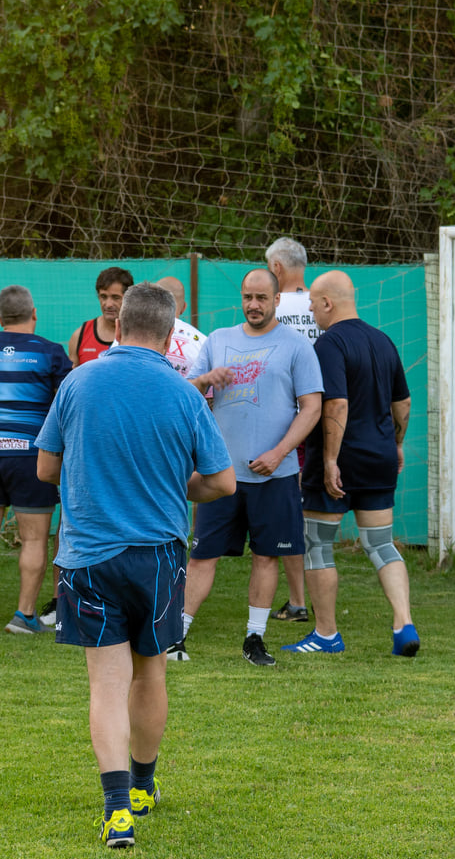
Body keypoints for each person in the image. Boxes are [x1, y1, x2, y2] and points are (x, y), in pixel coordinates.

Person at [36, 282, 234, 848]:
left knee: (106, 682)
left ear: (118, 326)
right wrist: (176, 484)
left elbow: (46, 470)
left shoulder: (78, 381)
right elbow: (222, 482)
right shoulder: (182, 393)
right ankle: (143, 788)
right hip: (159, 556)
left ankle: (116, 809)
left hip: (89, 555)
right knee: (151, 672)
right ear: (172, 335)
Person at [179, 269, 322, 666]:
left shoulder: (296, 347)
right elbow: (184, 396)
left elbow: (312, 407)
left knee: (266, 556)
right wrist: (205, 379)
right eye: (247, 297)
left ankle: (254, 640)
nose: (253, 305)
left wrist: (279, 453)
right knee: (202, 557)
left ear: (277, 300)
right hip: (220, 476)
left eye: (261, 297)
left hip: (274, 475)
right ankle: (177, 637)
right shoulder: (219, 340)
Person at [294, 271, 419, 656]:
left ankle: (326, 635)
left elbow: (337, 404)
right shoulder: (384, 341)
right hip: (380, 457)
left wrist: (330, 459)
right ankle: (404, 623)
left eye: (313, 305)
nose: (312, 312)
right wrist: (396, 444)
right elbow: (404, 404)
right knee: (381, 544)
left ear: (328, 303)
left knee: (317, 545)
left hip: (339, 461)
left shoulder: (329, 344)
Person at [0, 285, 73, 634]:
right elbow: (64, 404)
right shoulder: (51, 353)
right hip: (29, 453)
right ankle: (23, 615)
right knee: (34, 538)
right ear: (33, 314)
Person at [264, 236, 316, 624]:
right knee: (314, 518)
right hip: (326, 420)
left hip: (286, 425)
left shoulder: (274, 310)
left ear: (276, 269)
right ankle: (307, 597)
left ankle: (299, 600)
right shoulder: (322, 303)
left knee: (289, 515)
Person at [67, 266, 133, 367]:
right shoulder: (80, 335)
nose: (108, 304)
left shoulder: (140, 334)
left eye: (115, 297)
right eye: (103, 297)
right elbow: (71, 378)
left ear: (129, 298)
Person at [153, 276, 208, 380]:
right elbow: (209, 393)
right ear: (183, 308)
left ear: (152, 303)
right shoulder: (203, 342)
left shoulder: (132, 335)